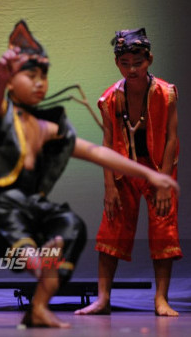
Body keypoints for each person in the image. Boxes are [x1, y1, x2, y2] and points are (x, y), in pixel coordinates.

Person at [0, 20, 180, 328]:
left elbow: (95, 151)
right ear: (9, 82)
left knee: (70, 227)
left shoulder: (48, 126)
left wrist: (153, 176)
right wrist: (1, 76)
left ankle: (40, 306)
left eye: (42, 75)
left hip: (27, 202)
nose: (39, 82)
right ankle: (37, 265)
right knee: (30, 254)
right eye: (29, 75)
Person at [75, 28, 181, 317]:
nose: (131, 69)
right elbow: (107, 144)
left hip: (158, 169)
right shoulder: (110, 99)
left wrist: (165, 183)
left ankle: (161, 299)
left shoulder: (166, 93)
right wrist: (109, 186)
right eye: (125, 64)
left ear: (149, 59)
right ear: (117, 63)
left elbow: (172, 138)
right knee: (111, 228)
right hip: (123, 171)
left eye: (138, 63)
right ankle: (102, 299)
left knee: (163, 229)